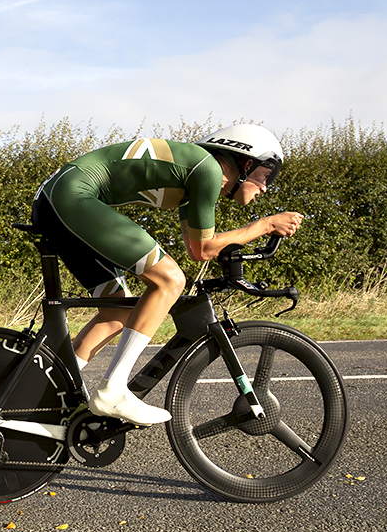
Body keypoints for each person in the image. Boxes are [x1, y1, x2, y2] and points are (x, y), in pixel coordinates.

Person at [31, 124, 303, 426]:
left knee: (116, 311)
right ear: (247, 162)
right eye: (267, 176)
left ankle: (38, 393)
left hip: (54, 200)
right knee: (170, 280)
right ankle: (113, 390)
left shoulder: (197, 178)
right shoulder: (209, 169)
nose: (265, 187)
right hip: (72, 197)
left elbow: (198, 250)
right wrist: (264, 226)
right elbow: (204, 249)